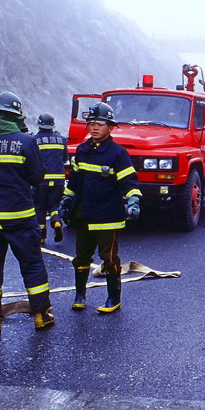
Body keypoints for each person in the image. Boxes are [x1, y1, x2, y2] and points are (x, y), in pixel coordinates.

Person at [0, 92, 53, 333]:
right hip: (19, 218)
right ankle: (40, 314)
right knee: (32, 264)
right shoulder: (25, 142)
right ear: (16, 116)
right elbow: (37, 177)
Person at [58, 102, 141, 313]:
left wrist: (133, 202)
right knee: (81, 257)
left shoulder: (117, 153)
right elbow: (74, 181)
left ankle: (114, 298)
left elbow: (129, 182)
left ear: (110, 127)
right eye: (91, 123)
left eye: (100, 124)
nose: (94, 128)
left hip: (107, 215)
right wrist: (66, 201)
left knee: (109, 258)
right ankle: (80, 295)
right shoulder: (82, 150)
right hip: (83, 214)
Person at [32, 113, 67, 244]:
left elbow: (31, 160)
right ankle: (56, 221)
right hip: (58, 179)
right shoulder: (61, 139)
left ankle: (41, 236)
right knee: (54, 204)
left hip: (41, 179)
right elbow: (65, 159)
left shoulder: (34, 140)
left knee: (40, 207)